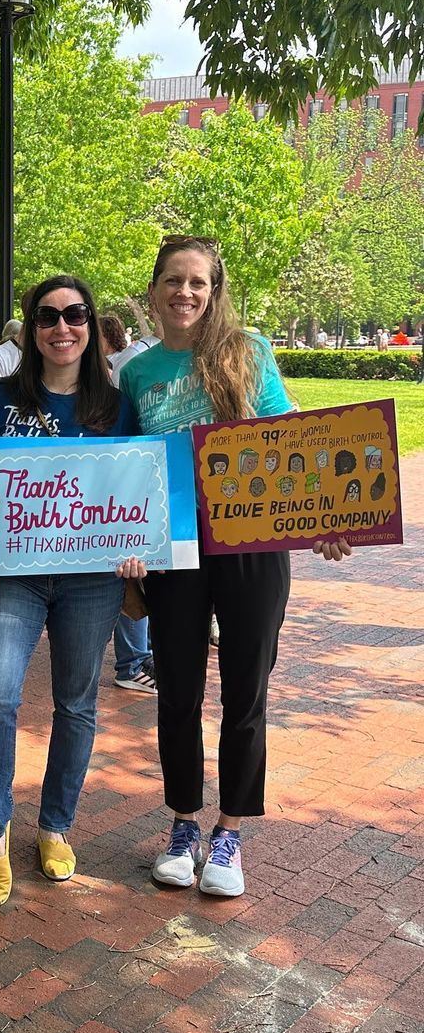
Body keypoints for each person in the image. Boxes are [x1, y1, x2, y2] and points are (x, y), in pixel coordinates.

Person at [118, 236, 351, 899]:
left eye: (198, 282)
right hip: (176, 553)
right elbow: (133, 469)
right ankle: (183, 824)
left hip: (252, 544)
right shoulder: (137, 373)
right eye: (173, 280)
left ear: (214, 290)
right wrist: (132, 539)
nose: (185, 292)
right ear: (154, 287)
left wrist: (325, 515)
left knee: (245, 693)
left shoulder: (248, 350)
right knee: (178, 693)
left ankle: (229, 832)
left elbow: (291, 439)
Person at [0, 275, 142, 906]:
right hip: (14, 573)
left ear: (91, 325)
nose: (63, 328)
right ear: (31, 331)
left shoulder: (116, 406)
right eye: (48, 317)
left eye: (76, 315)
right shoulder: (1, 398)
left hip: (91, 580)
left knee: (77, 704)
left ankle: (56, 826)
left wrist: (140, 545)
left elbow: (136, 490)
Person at [98, 313, 157, 695]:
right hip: (137, 513)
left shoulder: (238, 354)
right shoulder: (135, 367)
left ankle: (139, 658)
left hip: (199, 525)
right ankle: (134, 661)